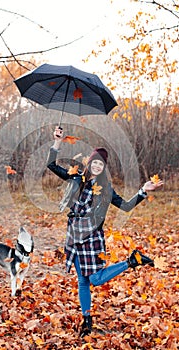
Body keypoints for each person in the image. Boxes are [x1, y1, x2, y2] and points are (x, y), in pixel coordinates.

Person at [47, 126, 163, 337]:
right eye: (95, 162)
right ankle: (87, 320)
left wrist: (143, 192)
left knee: (96, 279)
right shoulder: (77, 179)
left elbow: (126, 206)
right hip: (74, 235)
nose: (98, 166)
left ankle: (132, 261)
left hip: (92, 237)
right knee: (82, 281)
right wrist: (57, 141)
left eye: (101, 163)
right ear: (89, 163)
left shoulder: (107, 189)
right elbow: (51, 165)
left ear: (104, 167)